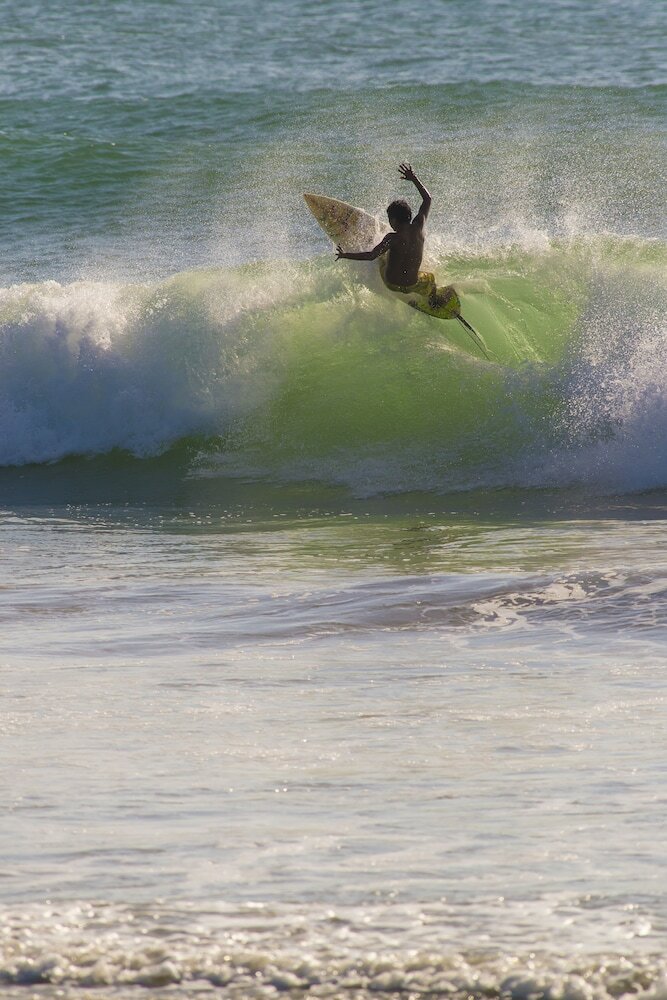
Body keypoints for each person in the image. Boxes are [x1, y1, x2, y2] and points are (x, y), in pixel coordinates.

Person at [335, 162, 435, 296]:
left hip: (392, 284)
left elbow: (371, 256)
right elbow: (427, 199)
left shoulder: (392, 238)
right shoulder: (419, 226)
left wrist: (345, 255)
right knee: (429, 278)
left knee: (381, 258)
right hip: (412, 283)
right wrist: (413, 178)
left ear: (393, 220)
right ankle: (431, 295)